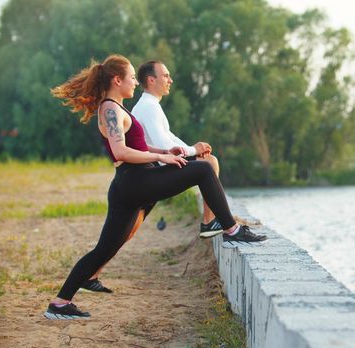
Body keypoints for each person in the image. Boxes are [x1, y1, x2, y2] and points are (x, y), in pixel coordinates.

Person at [44, 54, 266, 320]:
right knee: (205, 168)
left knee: (105, 249)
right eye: (132, 78)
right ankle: (231, 229)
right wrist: (161, 158)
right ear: (117, 80)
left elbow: (137, 146)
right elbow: (121, 152)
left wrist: (164, 150)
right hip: (134, 182)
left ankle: (59, 303)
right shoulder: (111, 109)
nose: (135, 83)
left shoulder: (117, 107)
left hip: (131, 184)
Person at [132, 61, 222, 238]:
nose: (170, 80)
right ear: (151, 80)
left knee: (208, 161)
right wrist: (193, 150)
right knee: (210, 162)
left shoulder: (149, 104)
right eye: (166, 76)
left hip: (155, 167)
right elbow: (166, 147)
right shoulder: (149, 107)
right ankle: (208, 221)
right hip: (156, 170)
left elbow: (169, 136)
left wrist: (193, 149)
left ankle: (210, 220)